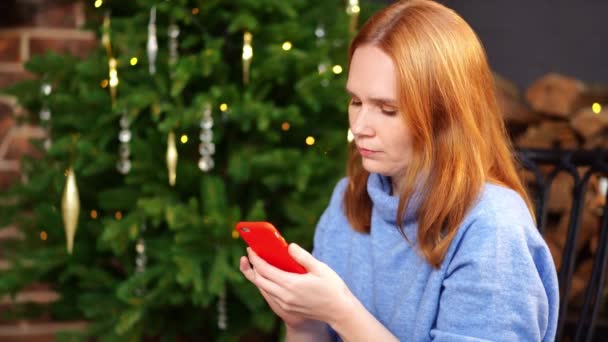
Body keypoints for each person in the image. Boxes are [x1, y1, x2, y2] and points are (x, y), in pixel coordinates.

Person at [239, 0, 559, 341]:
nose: (360, 126)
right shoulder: (349, 199)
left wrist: (341, 312)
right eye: (356, 102)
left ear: (445, 116)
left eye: (386, 109)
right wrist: (301, 322)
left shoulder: (492, 229)